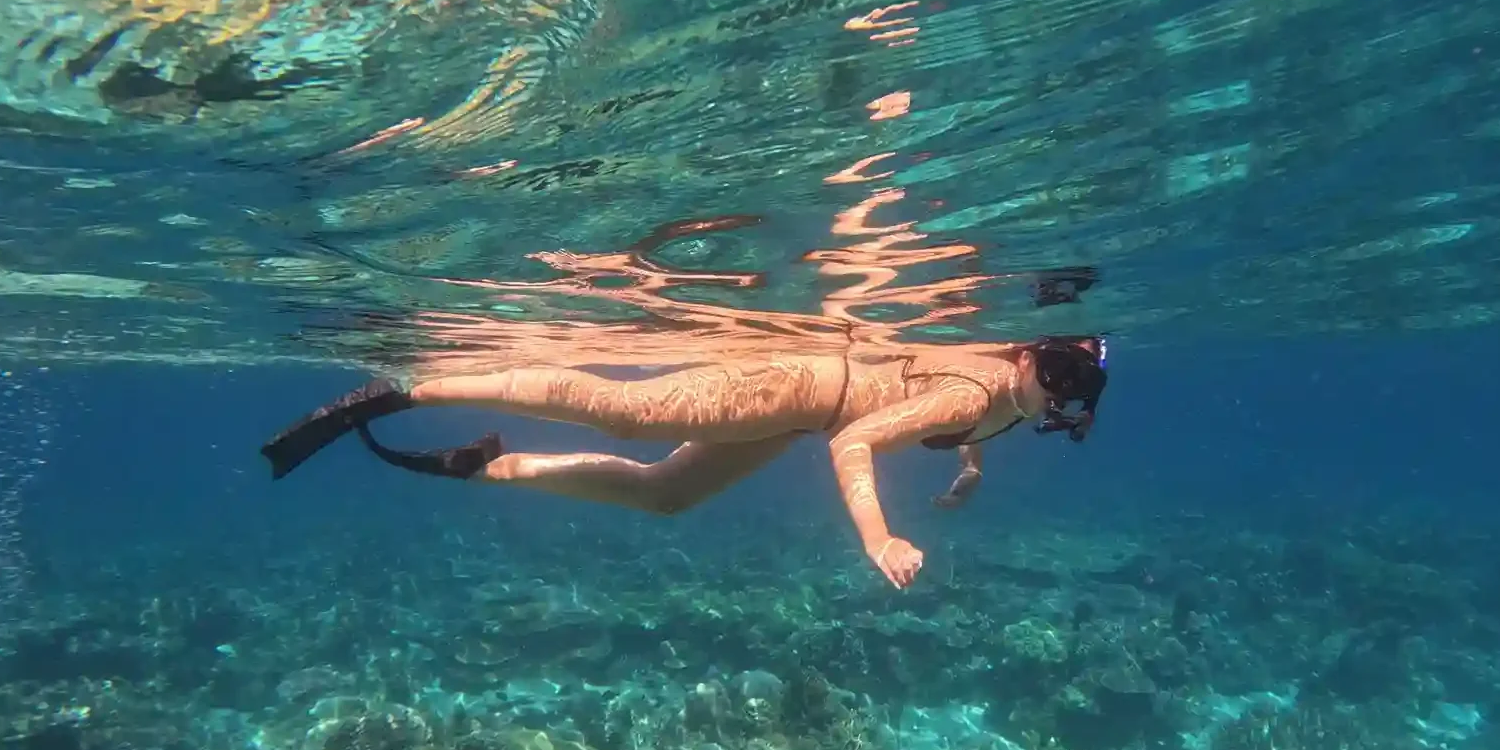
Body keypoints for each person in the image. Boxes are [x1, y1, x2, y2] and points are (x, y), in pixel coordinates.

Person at [259, 329, 1107, 589]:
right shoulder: (979, 395)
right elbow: (857, 439)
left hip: (806, 411)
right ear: (1029, 358)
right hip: (803, 387)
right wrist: (878, 540)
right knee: (630, 411)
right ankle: (411, 389)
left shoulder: (1005, 402)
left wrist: (970, 465)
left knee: (666, 495)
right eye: (1055, 372)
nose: (1059, 394)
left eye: (1077, 386)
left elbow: (966, 425)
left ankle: (485, 466)